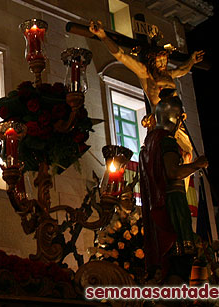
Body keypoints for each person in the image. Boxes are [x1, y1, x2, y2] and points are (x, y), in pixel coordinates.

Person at [89, 18, 203, 163]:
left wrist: (192, 60)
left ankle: (181, 183)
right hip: (159, 119)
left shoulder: (169, 75)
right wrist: (103, 36)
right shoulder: (146, 74)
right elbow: (121, 55)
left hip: (177, 120)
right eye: (159, 61)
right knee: (161, 155)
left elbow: (182, 69)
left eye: (165, 61)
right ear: (152, 60)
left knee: (187, 153)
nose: (163, 64)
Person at [138, 89, 208, 282]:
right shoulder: (167, 141)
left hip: (159, 208)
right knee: (180, 264)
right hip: (173, 207)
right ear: (175, 117)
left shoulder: (149, 142)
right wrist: (197, 165)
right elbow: (173, 173)